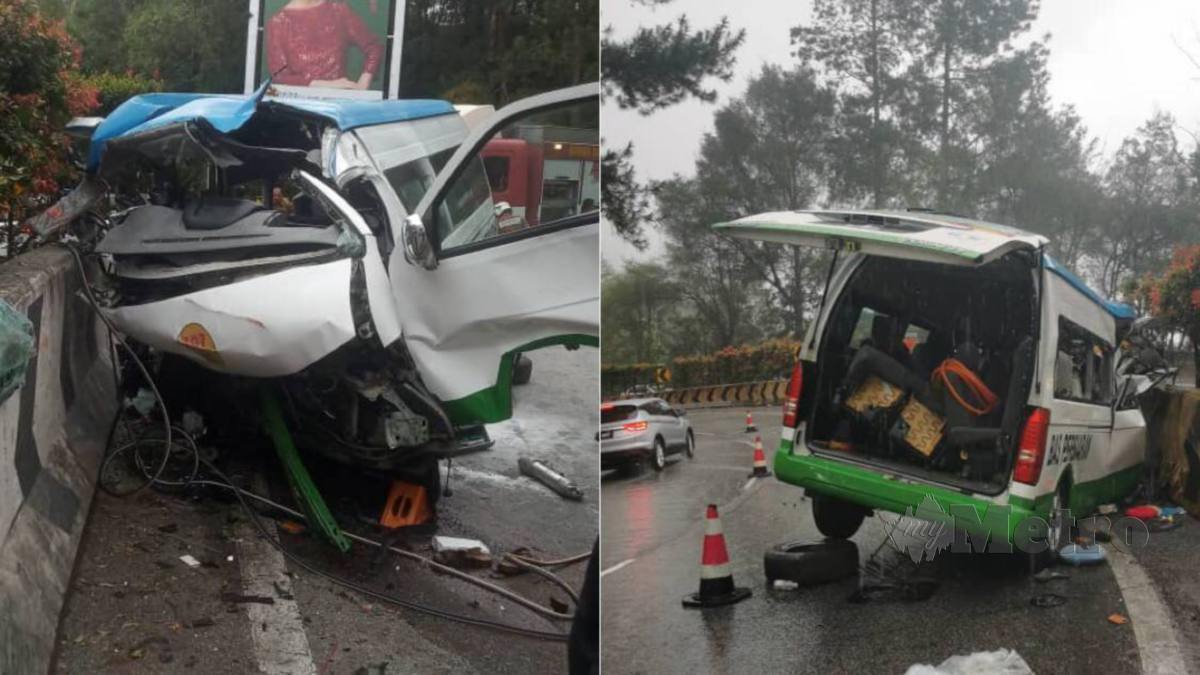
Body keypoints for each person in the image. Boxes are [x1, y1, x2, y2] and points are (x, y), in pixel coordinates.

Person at [266, 0, 384, 90]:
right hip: (300, 104)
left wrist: (364, 82)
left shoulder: (338, 10)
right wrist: (326, 85)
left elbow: (374, 46)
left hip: (340, 102)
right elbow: (279, 76)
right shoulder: (278, 22)